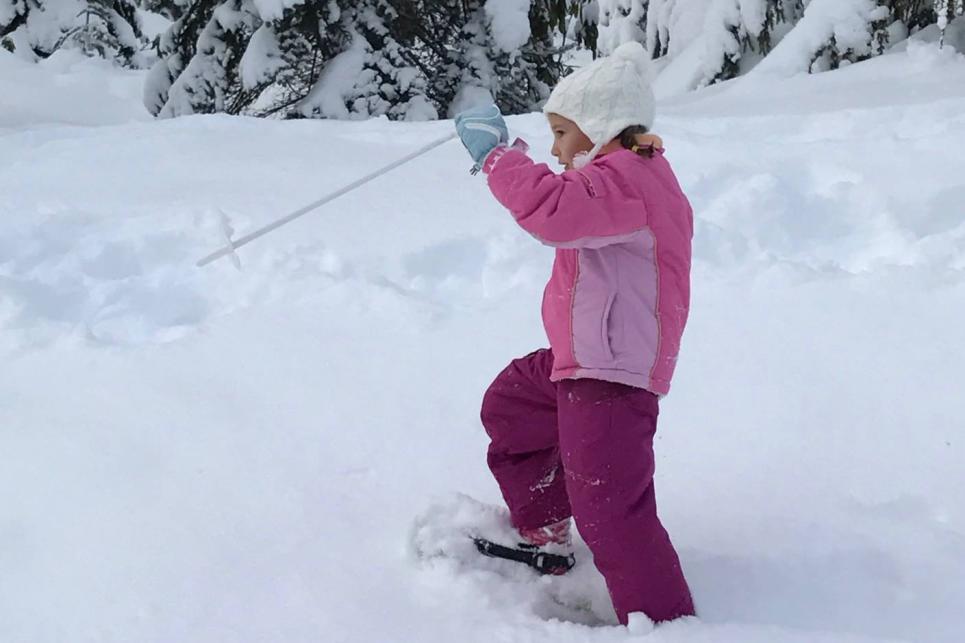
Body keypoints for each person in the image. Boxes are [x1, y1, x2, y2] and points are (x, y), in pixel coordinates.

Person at [453, 42, 696, 626]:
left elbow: (552, 211)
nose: (557, 150)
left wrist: (498, 157)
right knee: (512, 404)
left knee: (612, 509)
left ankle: (665, 624)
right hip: (580, 358)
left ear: (601, 128)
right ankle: (546, 528)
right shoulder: (618, 177)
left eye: (562, 133)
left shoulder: (629, 180)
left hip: (610, 373)